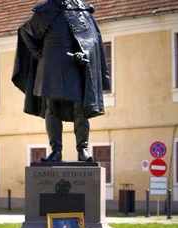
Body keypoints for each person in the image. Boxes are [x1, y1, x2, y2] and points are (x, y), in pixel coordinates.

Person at [12, 0, 110, 162]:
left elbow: (92, 41)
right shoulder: (45, 10)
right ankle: (56, 151)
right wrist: (35, 50)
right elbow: (25, 31)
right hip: (50, 65)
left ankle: (82, 150)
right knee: (52, 108)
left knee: (80, 108)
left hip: (74, 66)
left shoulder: (82, 10)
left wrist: (85, 53)